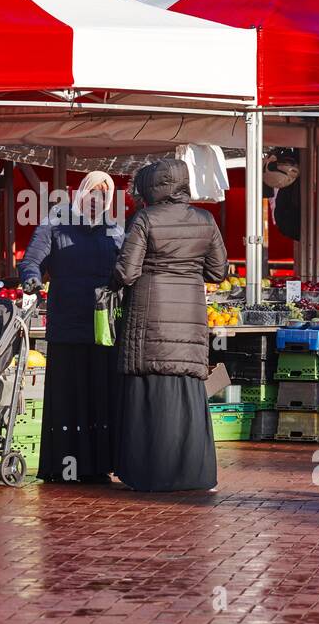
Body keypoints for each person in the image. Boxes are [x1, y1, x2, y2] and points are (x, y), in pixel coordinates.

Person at [110, 158, 227, 493]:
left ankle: (150, 473)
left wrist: (110, 282)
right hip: (190, 315)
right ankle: (195, 474)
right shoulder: (205, 219)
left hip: (149, 315)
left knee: (150, 395)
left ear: (151, 187)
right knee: (188, 394)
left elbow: (126, 272)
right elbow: (218, 272)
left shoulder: (146, 218)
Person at [18, 171, 123, 483]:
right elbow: (30, 260)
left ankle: (98, 467)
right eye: (93, 192)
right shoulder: (56, 223)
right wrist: (31, 279)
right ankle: (64, 468)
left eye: (104, 195)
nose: (97, 200)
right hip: (66, 325)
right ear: (81, 193)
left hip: (103, 327)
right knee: (69, 397)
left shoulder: (115, 232)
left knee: (99, 396)